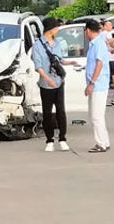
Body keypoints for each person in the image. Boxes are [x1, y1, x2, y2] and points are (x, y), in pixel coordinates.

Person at [32, 17, 70, 152]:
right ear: (50, 29)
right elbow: (38, 66)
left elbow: (60, 60)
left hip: (59, 82)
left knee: (61, 111)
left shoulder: (57, 43)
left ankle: (63, 138)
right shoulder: (37, 46)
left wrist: (70, 63)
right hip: (46, 84)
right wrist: (46, 78)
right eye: (56, 28)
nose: (57, 30)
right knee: (47, 112)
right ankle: (49, 140)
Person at [84, 20, 111, 153]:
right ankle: (104, 140)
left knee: (96, 115)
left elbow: (99, 64)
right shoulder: (94, 44)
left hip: (98, 84)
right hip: (96, 83)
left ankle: (101, 143)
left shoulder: (98, 44)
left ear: (88, 30)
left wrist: (92, 82)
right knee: (97, 115)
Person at [101, 20, 114, 91]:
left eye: (111, 25)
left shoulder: (101, 34)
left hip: (104, 57)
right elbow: (112, 44)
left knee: (106, 74)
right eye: (109, 25)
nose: (111, 27)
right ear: (104, 26)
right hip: (110, 57)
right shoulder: (108, 34)